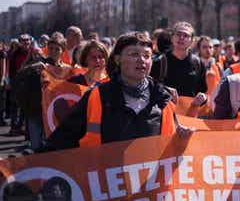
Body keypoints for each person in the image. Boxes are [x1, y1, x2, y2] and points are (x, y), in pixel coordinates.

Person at [42, 32, 193, 151]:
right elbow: (61, 140)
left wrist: (182, 140)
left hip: (150, 187)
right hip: (106, 187)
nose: (142, 60)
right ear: (117, 59)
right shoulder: (98, 96)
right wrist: (26, 164)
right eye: (134, 54)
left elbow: (171, 150)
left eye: (147, 55)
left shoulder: (163, 99)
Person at [150, 22, 208, 105]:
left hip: (189, 115)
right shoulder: (160, 62)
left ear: (192, 41)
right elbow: (149, 88)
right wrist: (164, 90)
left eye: (186, 35)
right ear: (172, 38)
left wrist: (203, 98)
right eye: (178, 34)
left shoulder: (198, 63)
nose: (181, 38)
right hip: (165, 113)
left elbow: (202, 91)